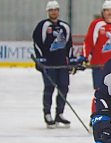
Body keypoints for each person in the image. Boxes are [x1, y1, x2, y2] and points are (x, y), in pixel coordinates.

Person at [32, 0, 73, 128]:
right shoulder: (43, 25)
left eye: (56, 9)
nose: (54, 12)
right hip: (49, 64)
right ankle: (47, 113)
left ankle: (59, 114)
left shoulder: (65, 26)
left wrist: (70, 60)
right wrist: (40, 59)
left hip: (62, 65)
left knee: (64, 88)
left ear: (58, 11)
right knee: (49, 88)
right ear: (48, 12)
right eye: (51, 10)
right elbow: (37, 43)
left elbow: (69, 45)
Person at [81, 0, 111, 116]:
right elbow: (89, 42)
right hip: (99, 65)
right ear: (103, 12)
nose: (109, 13)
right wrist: (84, 56)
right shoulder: (97, 24)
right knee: (100, 90)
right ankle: (95, 114)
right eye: (106, 10)